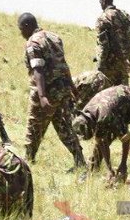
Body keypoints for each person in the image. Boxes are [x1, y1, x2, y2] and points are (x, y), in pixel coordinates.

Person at [17, 13, 86, 169]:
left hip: (47, 91)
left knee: (34, 126)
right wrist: (72, 87)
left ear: (27, 27)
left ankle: (28, 162)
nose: (21, 33)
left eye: (21, 29)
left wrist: (42, 96)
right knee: (65, 126)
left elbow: (38, 69)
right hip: (62, 89)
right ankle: (80, 160)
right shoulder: (54, 37)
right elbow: (63, 64)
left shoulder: (33, 43)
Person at [94, 0, 130, 86]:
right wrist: (129, 59)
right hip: (124, 63)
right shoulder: (123, 16)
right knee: (123, 95)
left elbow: (103, 45)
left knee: (107, 96)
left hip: (109, 65)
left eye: (100, 2)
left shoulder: (103, 18)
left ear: (103, 1)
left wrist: (100, 66)